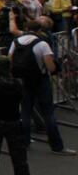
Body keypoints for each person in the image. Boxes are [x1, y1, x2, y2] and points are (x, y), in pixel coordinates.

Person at [9, 16, 74, 155]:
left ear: (27, 29)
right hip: (40, 80)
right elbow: (51, 67)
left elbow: (10, 59)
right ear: (40, 30)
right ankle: (57, 146)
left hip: (23, 80)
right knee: (48, 113)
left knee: (25, 112)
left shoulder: (16, 42)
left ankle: (24, 142)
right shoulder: (42, 44)